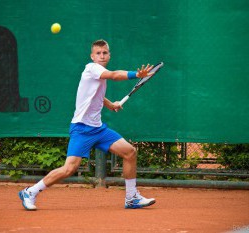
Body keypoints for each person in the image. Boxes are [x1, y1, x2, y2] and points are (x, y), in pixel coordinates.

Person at [19, 39, 156, 210]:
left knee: (129, 152)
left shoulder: (98, 74)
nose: (101, 56)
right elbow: (114, 75)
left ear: (109, 55)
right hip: (82, 129)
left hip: (98, 128)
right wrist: (136, 75)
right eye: (98, 53)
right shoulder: (92, 68)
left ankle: (131, 197)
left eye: (105, 52)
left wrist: (111, 104)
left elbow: (95, 95)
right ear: (92, 56)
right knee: (69, 169)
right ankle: (30, 192)